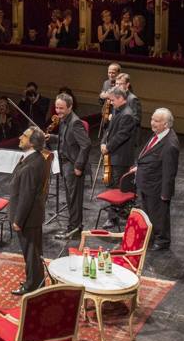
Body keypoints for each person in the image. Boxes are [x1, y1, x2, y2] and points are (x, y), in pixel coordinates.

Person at [9, 126, 52, 295]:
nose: (20, 137)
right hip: (31, 215)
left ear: (33, 143)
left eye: (24, 135)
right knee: (33, 252)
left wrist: (18, 220)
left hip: (27, 217)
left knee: (31, 253)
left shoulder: (31, 165)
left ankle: (32, 285)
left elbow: (26, 196)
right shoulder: (32, 159)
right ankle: (36, 282)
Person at [45, 93, 91, 239]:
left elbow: (86, 145)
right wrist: (51, 137)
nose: (58, 111)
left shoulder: (75, 122)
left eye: (61, 108)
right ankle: (74, 226)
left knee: (74, 199)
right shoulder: (64, 120)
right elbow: (66, 139)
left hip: (72, 165)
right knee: (71, 198)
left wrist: (78, 166)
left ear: (70, 107)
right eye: (57, 107)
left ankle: (74, 229)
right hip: (65, 164)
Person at [134, 108, 180, 251]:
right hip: (148, 183)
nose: (152, 123)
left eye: (157, 121)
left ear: (166, 124)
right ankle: (152, 236)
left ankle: (162, 240)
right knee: (149, 213)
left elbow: (169, 172)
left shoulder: (169, 144)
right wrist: (139, 168)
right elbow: (151, 157)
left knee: (159, 214)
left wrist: (165, 194)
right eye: (152, 119)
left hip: (157, 186)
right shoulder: (159, 135)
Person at [100, 86, 139, 229]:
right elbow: (110, 130)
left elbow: (121, 135)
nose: (110, 102)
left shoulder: (128, 114)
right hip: (113, 154)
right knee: (111, 184)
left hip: (121, 157)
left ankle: (114, 218)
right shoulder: (117, 110)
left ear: (121, 98)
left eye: (112, 100)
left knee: (117, 187)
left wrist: (108, 147)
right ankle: (115, 215)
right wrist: (103, 142)